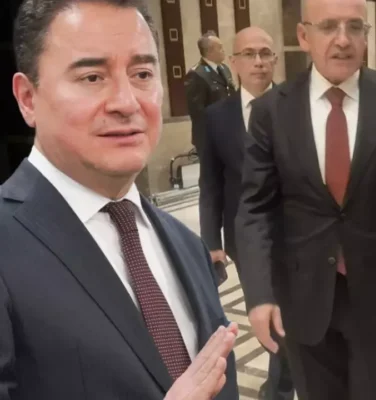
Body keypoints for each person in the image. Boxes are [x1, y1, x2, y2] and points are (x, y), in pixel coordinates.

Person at [1, 1, 238, 399]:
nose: (127, 102)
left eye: (142, 74)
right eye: (92, 77)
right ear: (27, 98)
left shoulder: (185, 243)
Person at [235, 0, 376, 398]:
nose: (343, 40)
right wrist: (259, 294)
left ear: (366, 35)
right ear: (303, 36)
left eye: (354, 27)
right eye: (329, 26)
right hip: (303, 295)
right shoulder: (271, 111)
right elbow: (255, 209)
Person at [200, 27, 294, 400]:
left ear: (275, 59)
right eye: (249, 54)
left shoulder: (295, 106)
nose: (258, 62)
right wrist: (211, 241)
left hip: (295, 231)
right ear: (234, 62)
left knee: (289, 309)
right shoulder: (216, 117)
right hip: (244, 235)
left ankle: (282, 387)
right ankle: (283, 381)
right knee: (265, 306)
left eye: (265, 53)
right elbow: (211, 182)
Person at [185, 31, 235, 158]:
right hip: (210, 137)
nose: (224, 50)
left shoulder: (224, 69)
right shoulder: (197, 74)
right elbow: (197, 112)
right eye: (220, 47)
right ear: (209, 51)